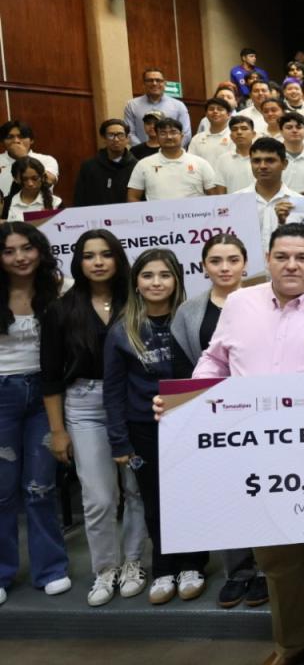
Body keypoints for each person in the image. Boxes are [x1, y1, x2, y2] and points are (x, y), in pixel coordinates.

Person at [169, 224, 304, 665]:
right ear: (268, 260)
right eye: (282, 256)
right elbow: (215, 359)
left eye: (302, 257)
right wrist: (189, 400)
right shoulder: (240, 304)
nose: (291, 265)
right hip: (258, 451)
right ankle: (291, 644)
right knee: (276, 557)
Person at [40, 230, 145, 607]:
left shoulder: (137, 301)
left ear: (118, 259)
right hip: (84, 405)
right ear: (78, 262)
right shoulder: (61, 310)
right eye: (88, 256)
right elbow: (50, 375)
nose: (98, 262)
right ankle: (105, 568)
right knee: (99, 497)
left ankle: (133, 562)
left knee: (135, 490)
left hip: (133, 402)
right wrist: (57, 431)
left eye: (105, 254)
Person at [170, 234, 270, 609]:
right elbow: (184, 366)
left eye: (232, 260)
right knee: (227, 493)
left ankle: (267, 569)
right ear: (203, 266)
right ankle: (238, 571)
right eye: (215, 261)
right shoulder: (189, 311)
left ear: (246, 264)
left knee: (264, 489)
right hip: (213, 415)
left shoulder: (266, 301)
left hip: (262, 410)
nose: (225, 268)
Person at [102, 248, 206, 605]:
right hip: (143, 428)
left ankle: (193, 564)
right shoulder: (122, 330)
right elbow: (113, 390)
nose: (156, 282)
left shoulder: (189, 321)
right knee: (154, 501)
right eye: (148, 275)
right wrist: (119, 440)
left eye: (164, 275)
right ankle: (163, 567)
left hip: (189, 425)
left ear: (177, 280)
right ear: (136, 283)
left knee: (191, 496)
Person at [0, 223, 71, 607]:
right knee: (1, 491)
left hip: (46, 396)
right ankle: (2, 572)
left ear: (40, 250)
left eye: (26, 248)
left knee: (40, 487)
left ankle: (51, 569)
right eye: (9, 251)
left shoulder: (59, 289)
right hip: (2, 395)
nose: (19, 258)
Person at [125, 117, 220, 201]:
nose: (169, 137)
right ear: (157, 137)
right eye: (163, 133)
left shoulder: (201, 163)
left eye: (173, 132)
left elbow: (214, 195)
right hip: (157, 215)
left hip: (194, 215)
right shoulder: (144, 164)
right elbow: (133, 197)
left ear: (182, 136)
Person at [238, 137, 302, 248]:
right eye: (256, 161)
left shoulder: (300, 203)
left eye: (270, 160)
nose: (262, 166)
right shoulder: (235, 202)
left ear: (284, 164)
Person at [74, 119, 139, 206]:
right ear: (104, 139)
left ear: (127, 139)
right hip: (96, 213)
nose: (116, 139)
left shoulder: (137, 166)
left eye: (120, 135)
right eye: (111, 135)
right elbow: (79, 198)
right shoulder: (89, 166)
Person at [122, 68, 192, 147]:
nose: (154, 83)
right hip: (142, 153)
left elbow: (186, 133)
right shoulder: (132, 105)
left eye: (158, 80)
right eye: (150, 80)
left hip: (171, 151)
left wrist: (170, 150)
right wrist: (144, 150)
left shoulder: (178, 106)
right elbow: (130, 133)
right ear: (144, 83)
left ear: (165, 83)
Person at [215, 115, 257, 194]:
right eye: (234, 129)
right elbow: (221, 191)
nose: (239, 132)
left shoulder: (262, 158)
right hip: (232, 202)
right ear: (231, 136)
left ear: (253, 134)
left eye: (244, 128)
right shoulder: (223, 159)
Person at [188, 97, 236, 164]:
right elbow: (191, 162)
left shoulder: (235, 137)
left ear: (229, 115)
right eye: (211, 109)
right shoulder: (196, 139)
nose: (215, 111)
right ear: (206, 114)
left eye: (220, 109)